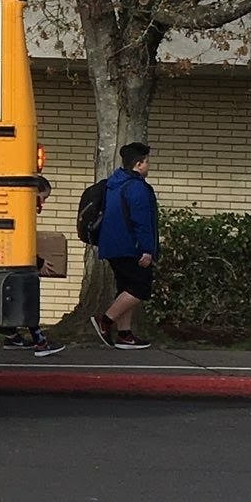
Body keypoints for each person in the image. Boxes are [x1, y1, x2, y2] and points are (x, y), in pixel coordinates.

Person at [0, 175, 67, 358]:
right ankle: (39, 342)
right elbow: (20, 241)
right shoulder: (21, 211)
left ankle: (12, 336)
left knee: (2, 299)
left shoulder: (11, 207)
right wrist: (39, 262)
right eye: (43, 197)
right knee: (24, 297)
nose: (43, 204)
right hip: (6, 260)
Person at [90, 142, 158, 350]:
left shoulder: (113, 183)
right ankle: (106, 321)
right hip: (131, 246)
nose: (148, 166)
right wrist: (147, 249)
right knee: (140, 287)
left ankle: (125, 334)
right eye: (147, 162)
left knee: (126, 288)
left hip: (112, 245)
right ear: (138, 164)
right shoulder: (137, 187)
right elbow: (142, 220)